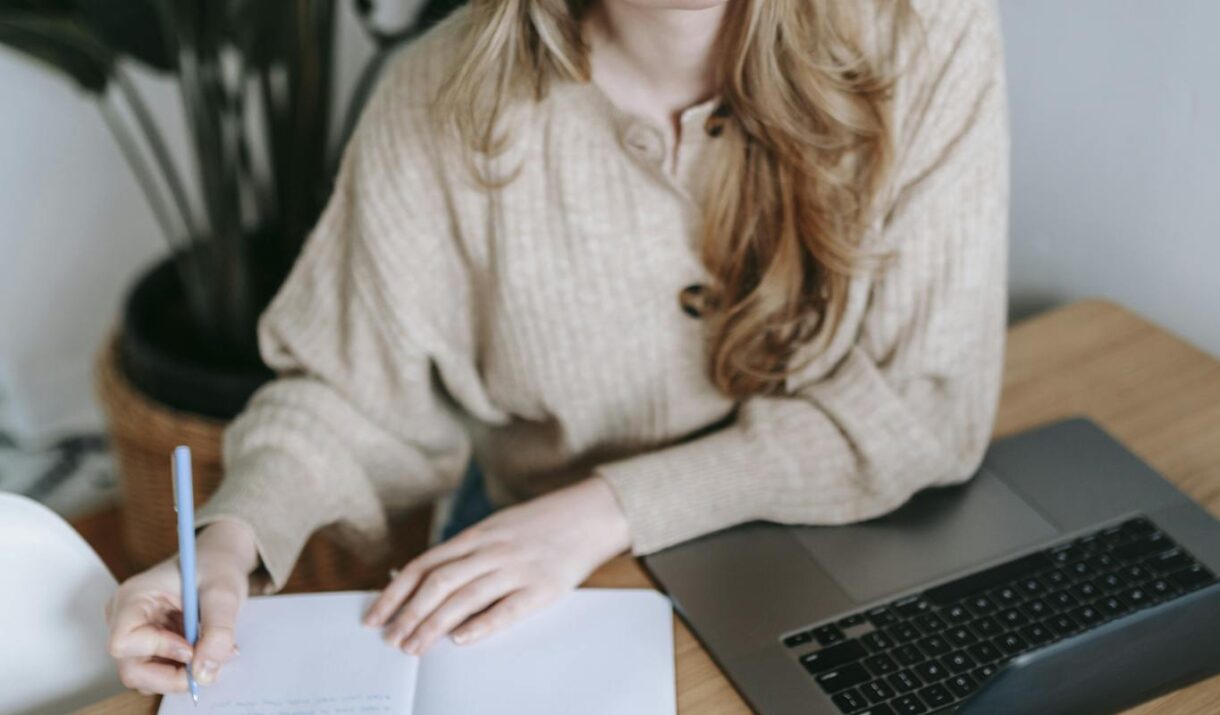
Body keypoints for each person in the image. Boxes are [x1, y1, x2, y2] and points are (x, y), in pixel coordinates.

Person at [104, 0, 1008, 695]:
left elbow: (930, 403)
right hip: (559, 583)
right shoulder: (438, 102)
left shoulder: (923, 31)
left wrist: (606, 508)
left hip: (850, 535)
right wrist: (233, 535)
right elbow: (349, 395)